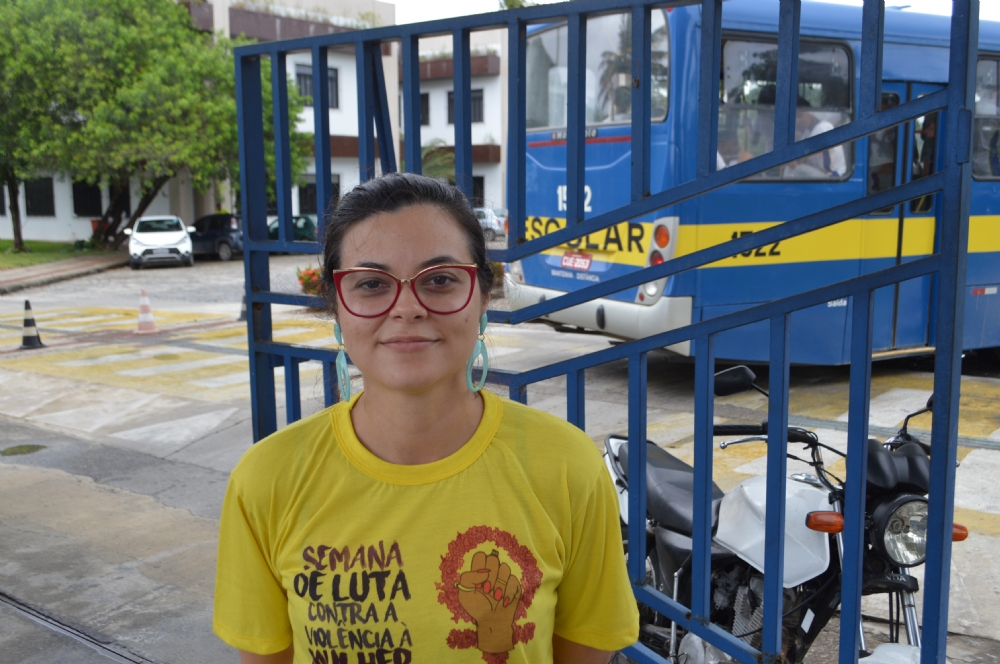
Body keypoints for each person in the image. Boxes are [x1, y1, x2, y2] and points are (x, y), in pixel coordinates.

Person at [213, 172, 639, 664]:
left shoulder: (567, 467)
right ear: (337, 307)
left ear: (482, 295)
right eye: (371, 284)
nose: (408, 307)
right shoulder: (266, 481)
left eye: (439, 280)